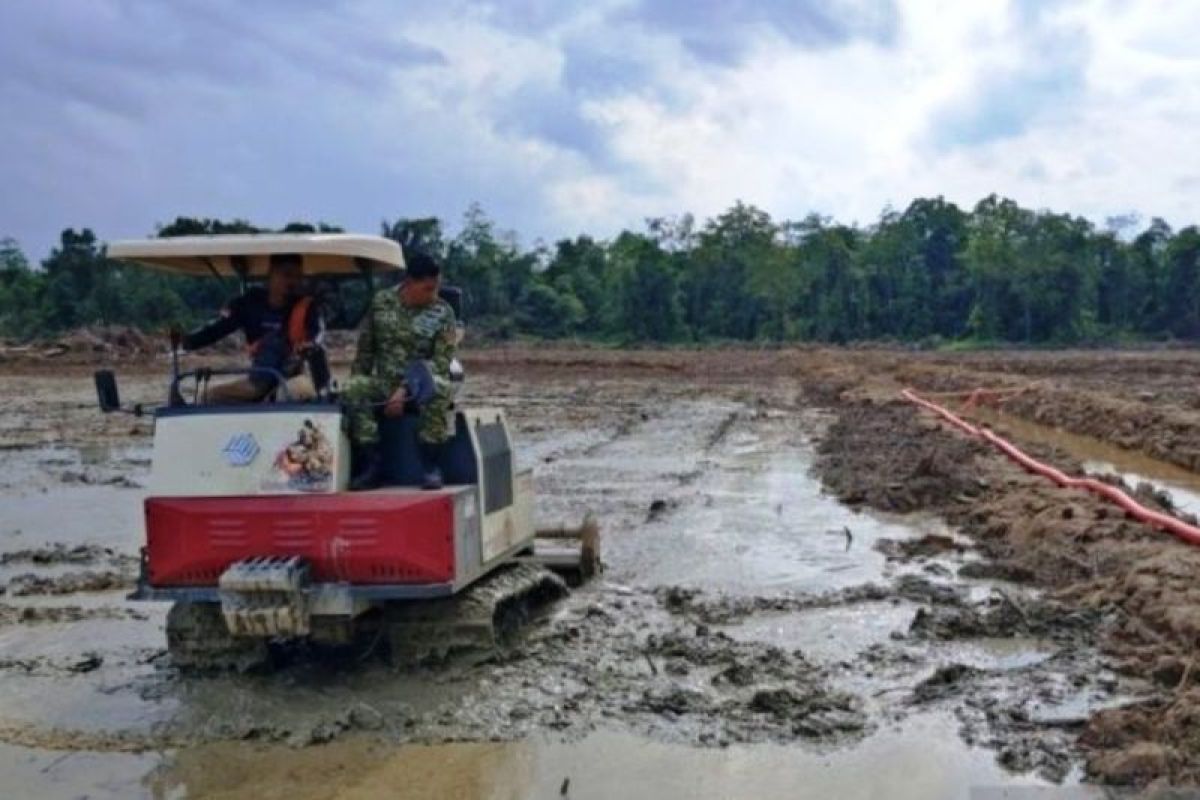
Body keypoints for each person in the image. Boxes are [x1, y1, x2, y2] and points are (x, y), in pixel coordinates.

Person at [343, 251, 457, 490]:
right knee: (353, 388)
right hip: (384, 383)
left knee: (441, 387)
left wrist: (405, 389)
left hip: (422, 386)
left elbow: (440, 361)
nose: (433, 294)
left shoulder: (443, 313)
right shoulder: (381, 303)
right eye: (428, 289)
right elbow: (366, 351)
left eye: (436, 287)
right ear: (409, 283)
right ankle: (371, 463)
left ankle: (430, 466)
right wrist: (354, 395)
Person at [175, 252, 322, 404]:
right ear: (271, 273)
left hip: (293, 376)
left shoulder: (307, 308)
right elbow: (218, 329)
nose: (293, 282)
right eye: (287, 275)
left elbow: (317, 334)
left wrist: (309, 345)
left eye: (298, 277)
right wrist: (189, 341)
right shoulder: (249, 304)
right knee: (208, 397)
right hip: (259, 379)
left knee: (293, 392)